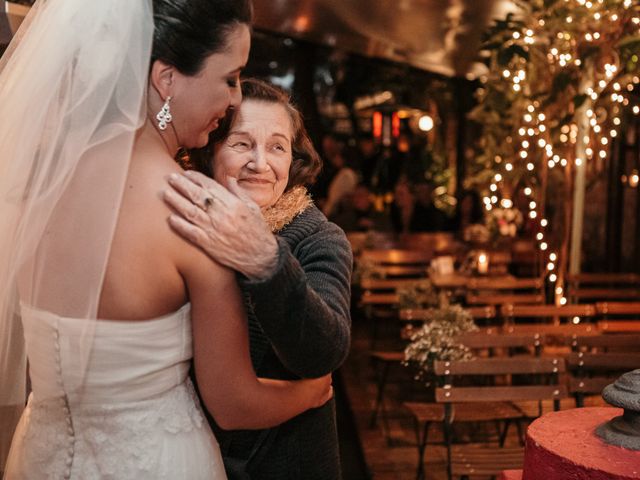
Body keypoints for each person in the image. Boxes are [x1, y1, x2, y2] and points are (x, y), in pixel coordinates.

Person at [0, 1, 332, 479]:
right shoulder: (192, 211)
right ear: (167, 79)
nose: (236, 98)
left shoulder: (34, 189)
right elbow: (234, 404)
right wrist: (312, 391)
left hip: (40, 457)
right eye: (230, 78)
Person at [164, 78, 353, 480]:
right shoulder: (178, 222)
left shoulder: (319, 238)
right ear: (209, 149)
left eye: (277, 147)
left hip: (284, 464)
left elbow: (324, 352)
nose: (260, 163)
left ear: (294, 160)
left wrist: (264, 258)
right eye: (242, 143)